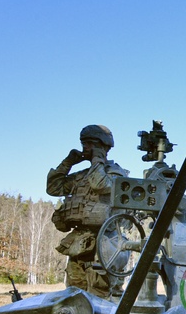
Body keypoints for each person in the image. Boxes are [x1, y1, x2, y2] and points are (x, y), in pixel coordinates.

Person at [47, 124, 129, 299]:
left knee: (100, 294)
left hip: (104, 243)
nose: (85, 147)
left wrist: (97, 161)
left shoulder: (115, 174)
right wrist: (68, 162)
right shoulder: (82, 175)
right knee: (74, 295)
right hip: (79, 243)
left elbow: (100, 185)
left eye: (90, 143)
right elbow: (53, 188)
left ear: (104, 146)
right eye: (83, 143)